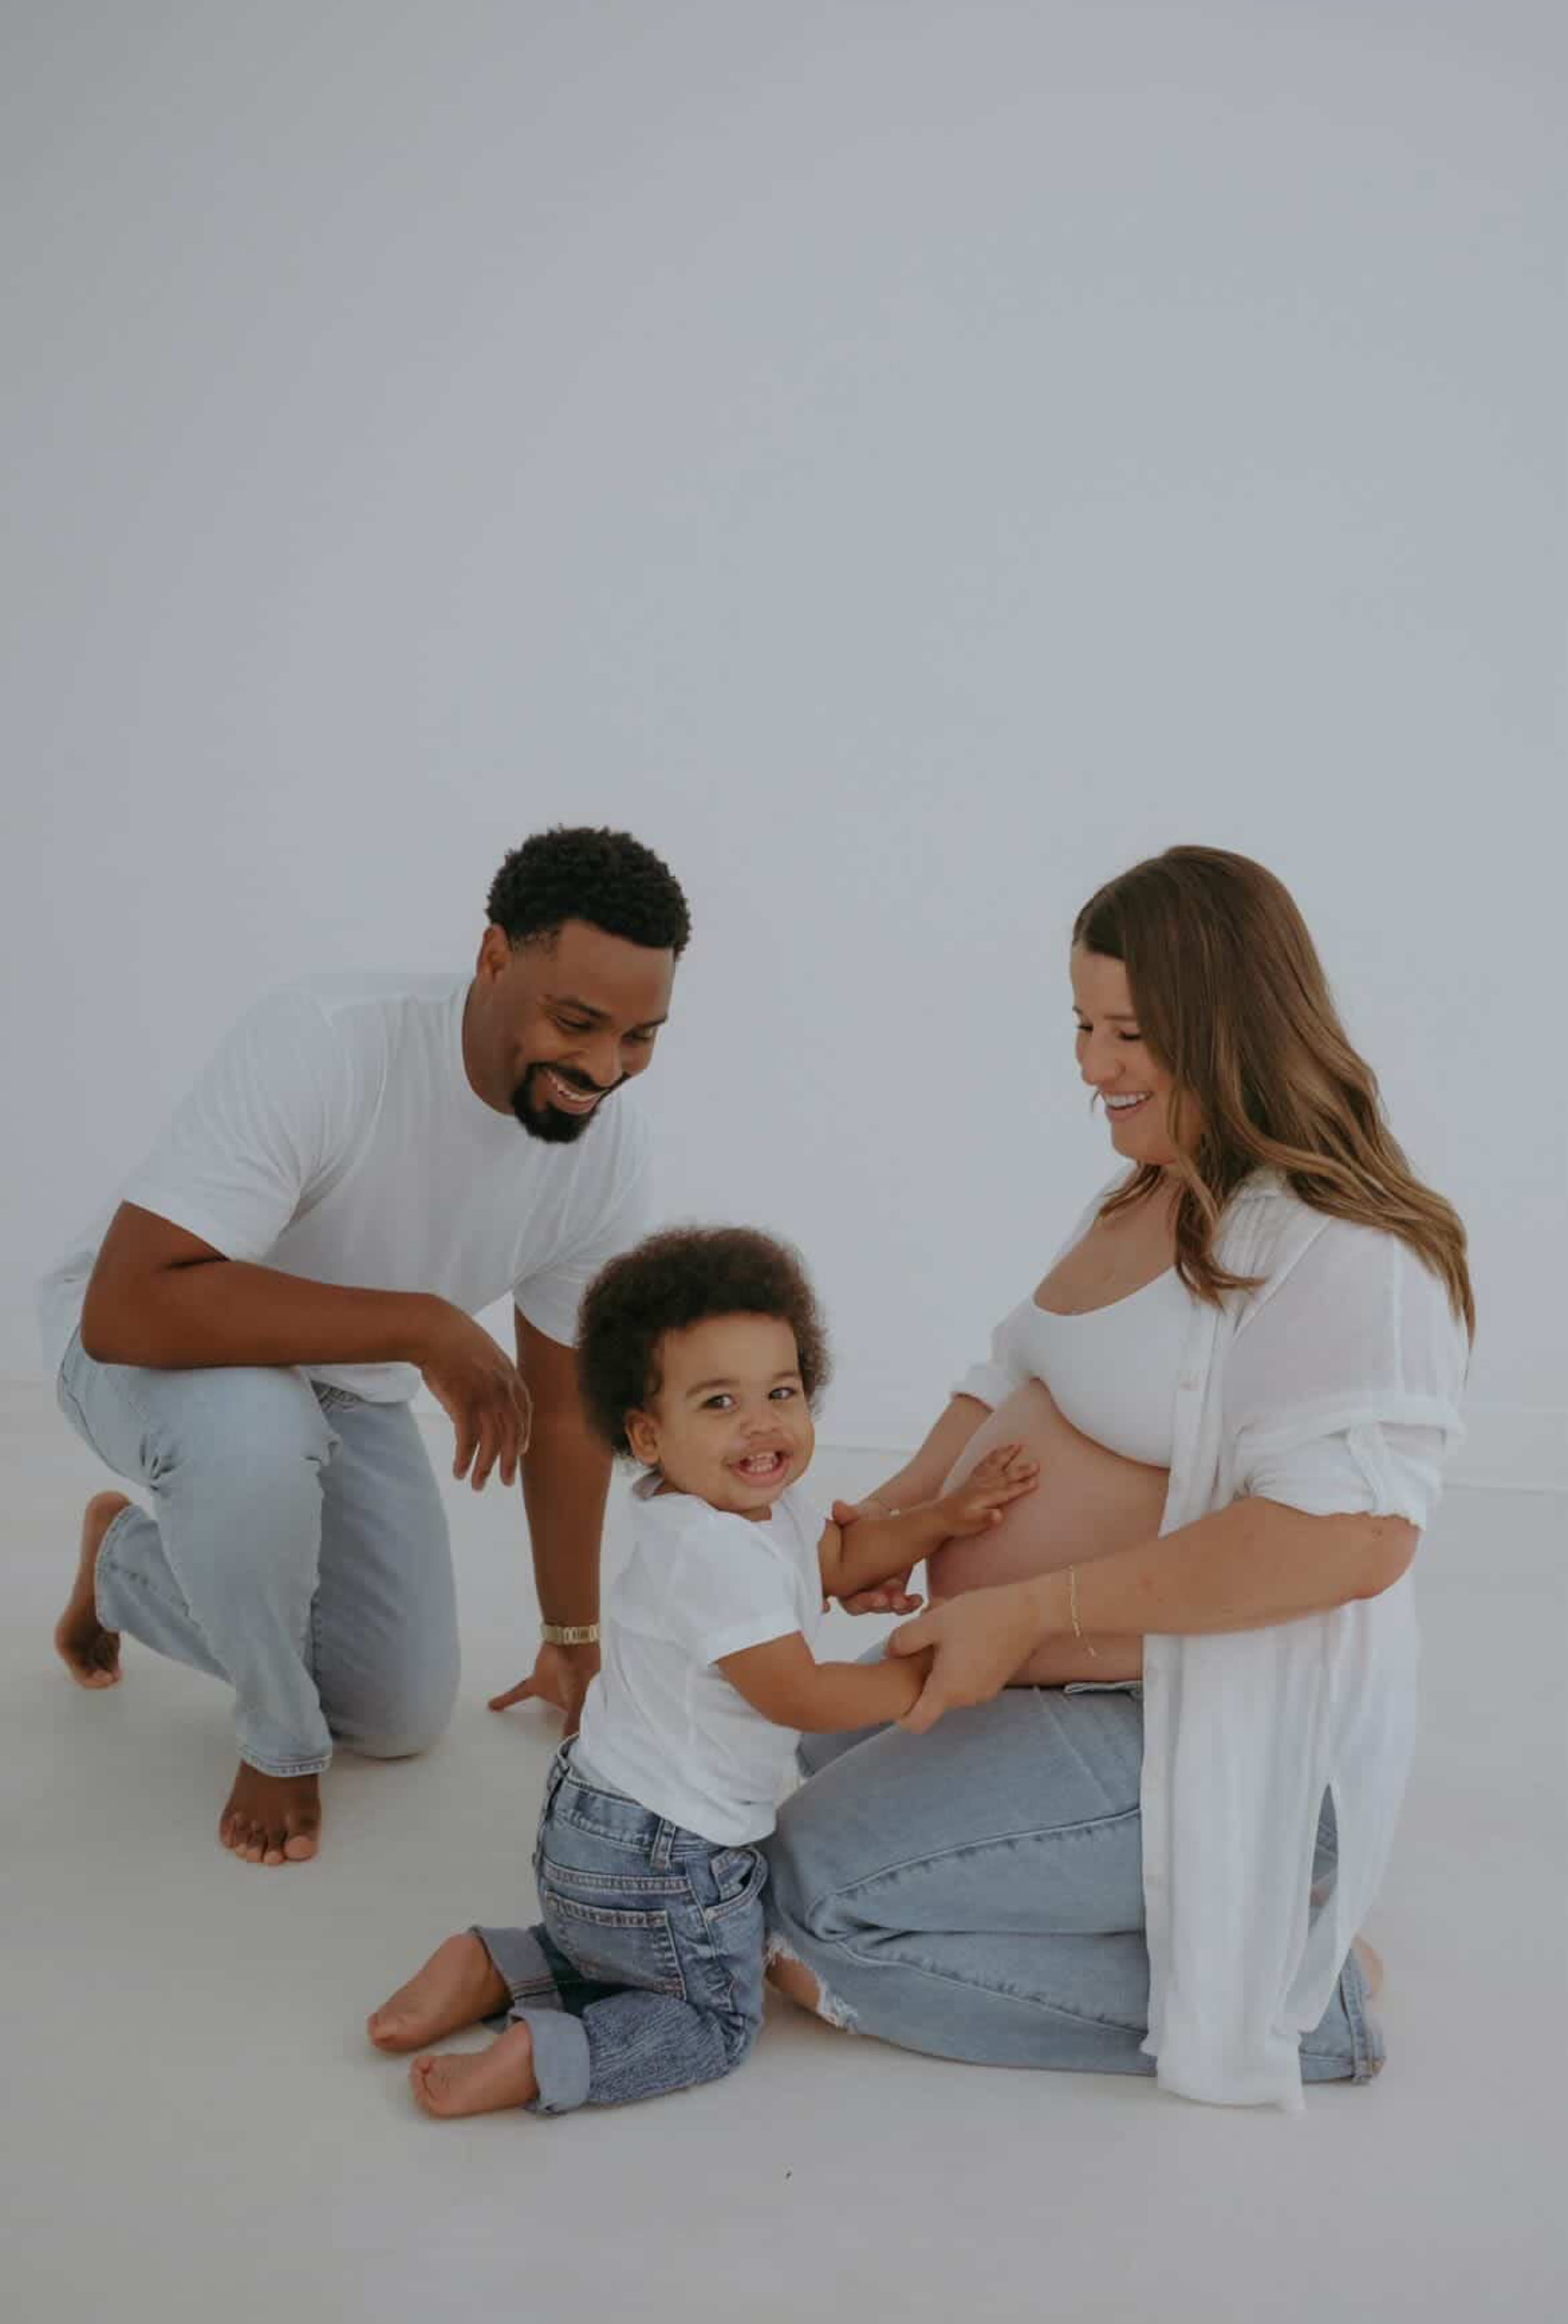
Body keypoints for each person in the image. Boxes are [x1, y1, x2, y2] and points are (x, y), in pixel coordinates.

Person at [763, 846, 1472, 2110]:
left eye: (1131, 1032)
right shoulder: (1148, 1190)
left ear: (1232, 1027)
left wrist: (1028, 1608)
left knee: (811, 1897)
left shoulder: (1345, 1253)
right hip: (1081, 1689)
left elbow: (1352, 1539)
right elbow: (1012, 1365)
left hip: (1196, 1723)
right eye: (1084, 1024)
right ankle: (1204, 1921)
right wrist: (903, 1513)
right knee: (810, 1757)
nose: (1092, 1065)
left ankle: (1298, 1999)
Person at [43, 825, 690, 1870]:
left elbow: (564, 1407)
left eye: (642, 1036)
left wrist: (572, 1637)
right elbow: (129, 1304)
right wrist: (420, 1323)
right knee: (255, 1443)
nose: (604, 1069)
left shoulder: (608, 1156)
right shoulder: (330, 1040)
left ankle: (127, 1564)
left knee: (395, 1709)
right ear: (493, 957)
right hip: (154, 1341)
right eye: (578, 1021)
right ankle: (278, 1739)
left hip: (342, 1383)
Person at [365, 1225, 1037, 2117]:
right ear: (647, 1432)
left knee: (631, 1949)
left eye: (782, 1390)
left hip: (600, 1827)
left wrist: (944, 1518)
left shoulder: (738, 1509)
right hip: (670, 1852)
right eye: (719, 1402)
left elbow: (835, 1555)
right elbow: (795, 1692)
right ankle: (547, 2055)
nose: (763, 1421)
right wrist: (932, 1683)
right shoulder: (713, 1555)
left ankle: (499, 1963)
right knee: (714, 2017)